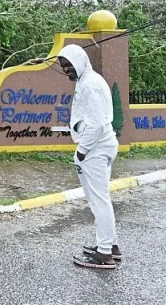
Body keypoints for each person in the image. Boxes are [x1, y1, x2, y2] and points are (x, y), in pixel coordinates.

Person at [57, 44, 121, 269]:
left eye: (70, 65)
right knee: (101, 198)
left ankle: (104, 254)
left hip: (95, 149)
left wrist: (82, 152)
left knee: (98, 200)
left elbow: (95, 123)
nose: (67, 70)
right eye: (64, 66)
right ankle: (109, 245)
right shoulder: (89, 80)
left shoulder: (90, 85)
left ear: (81, 62)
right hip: (102, 145)